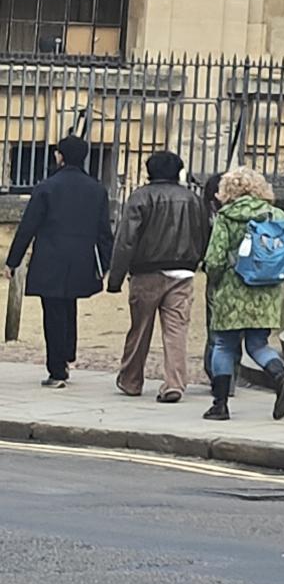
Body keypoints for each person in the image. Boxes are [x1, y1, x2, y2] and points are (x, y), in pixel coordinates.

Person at [9, 133, 113, 386]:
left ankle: (57, 369)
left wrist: (14, 259)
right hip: (81, 258)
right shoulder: (97, 189)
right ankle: (66, 353)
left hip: (50, 257)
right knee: (69, 307)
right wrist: (104, 265)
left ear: (61, 156)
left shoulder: (46, 187)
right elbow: (104, 233)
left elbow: (28, 226)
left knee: (53, 312)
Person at [111, 150, 212, 403]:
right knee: (176, 330)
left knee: (140, 328)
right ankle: (174, 383)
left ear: (149, 171)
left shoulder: (140, 197)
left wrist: (115, 278)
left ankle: (131, 380)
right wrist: (197, 259)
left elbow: (126, 241)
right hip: (183, 271)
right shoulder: (193, 199)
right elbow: (204, 233)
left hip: (146, 270)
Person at [201, 169, 284, 421]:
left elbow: (214, 259)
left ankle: (220, 404)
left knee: (224, 345)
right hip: (266, 291)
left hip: (232, 290)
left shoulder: (227, 216)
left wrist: (214, 280)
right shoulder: (277, 215)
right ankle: (281, 377)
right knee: (258, 345)